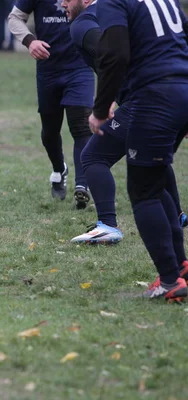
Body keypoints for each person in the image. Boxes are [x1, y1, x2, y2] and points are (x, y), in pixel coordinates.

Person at [63, 0, 187, 244]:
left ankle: (107, 224)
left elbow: (111, 54)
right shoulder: (138, 9)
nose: (61, 3)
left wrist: (105, 99)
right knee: (153, 159)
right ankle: (177, 215)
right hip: (178, 92)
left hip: (147, 99)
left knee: (94, 157)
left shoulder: (83, 23)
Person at [89, 0, 188, 299]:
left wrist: (100, 108)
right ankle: (180, 267)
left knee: (144, 190)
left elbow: (115, 54)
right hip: (181, 90)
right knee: (156, 182)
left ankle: (170, 281)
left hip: (155, 95)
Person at [7, 0, 94, 208]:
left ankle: (82, 186)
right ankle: (59, 169)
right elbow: (14, 18)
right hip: (48, 70)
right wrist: (30, 41)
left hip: (80, 68)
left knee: (81, 126)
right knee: (49, 130)